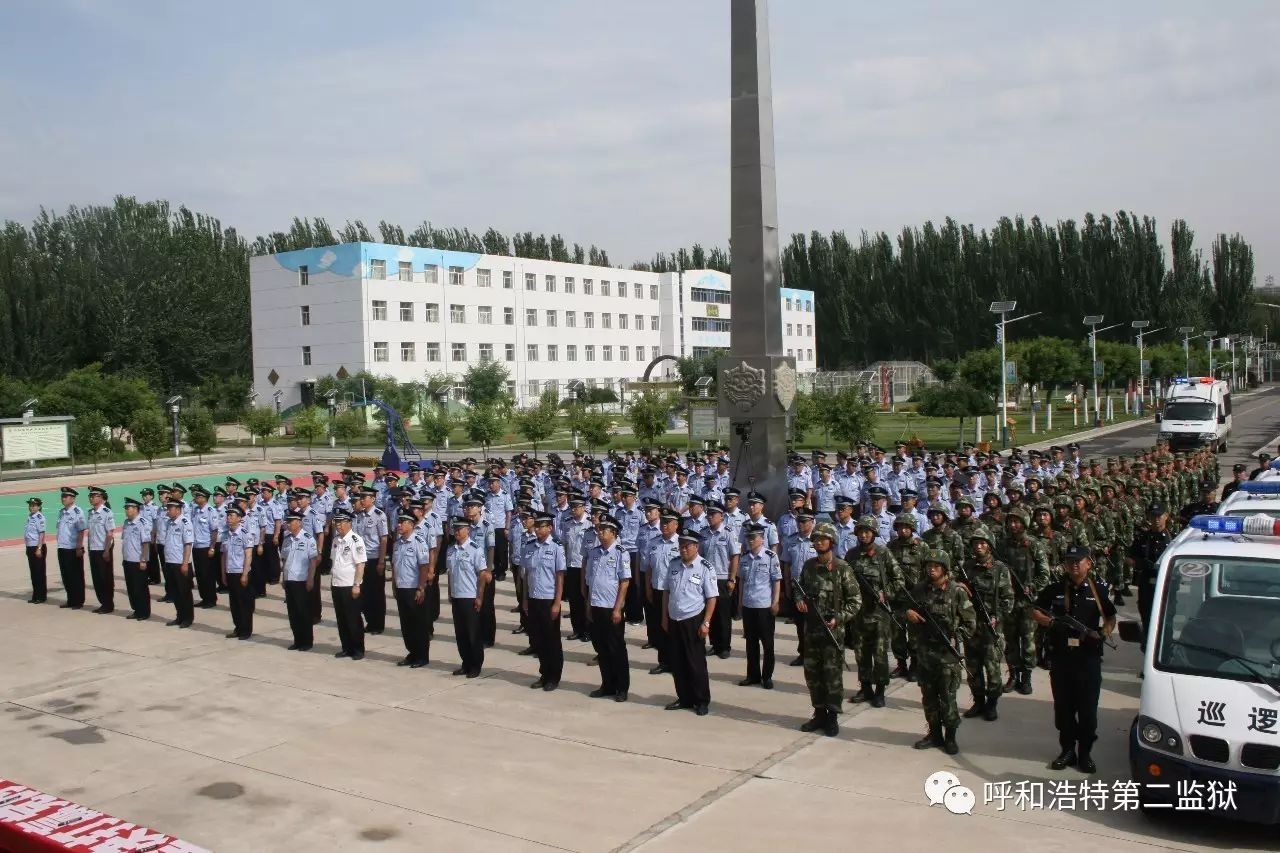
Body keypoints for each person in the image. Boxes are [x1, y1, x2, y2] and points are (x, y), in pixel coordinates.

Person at [1032, 544, 1117, 774]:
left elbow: (1110, 617)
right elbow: (1035, 610)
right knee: (1064, 710)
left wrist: (1104, 633)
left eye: (1078, 560)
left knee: (1088, 712)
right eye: (1070, 561)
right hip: (1062, 659)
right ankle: (1067, 751)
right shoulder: (1055, 589)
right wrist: (1052, 623)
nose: (1074, 564)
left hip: (1088, 660)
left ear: (1089, 563)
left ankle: (1085, 753)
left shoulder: (1098, 590)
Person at [903, 550, 976, 754]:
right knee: (929, 698)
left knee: (948, 699)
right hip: (925, 654)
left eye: (936, 566)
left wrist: (955, 636)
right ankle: (934, 734)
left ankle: (950, 737)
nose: (932, 569)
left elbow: (970, 623)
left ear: (944, 568)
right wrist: (909, 613)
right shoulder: (919, 590)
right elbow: (906, 608)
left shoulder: (957, 592)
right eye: (929, 566)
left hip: (947, 657)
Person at [794, 522, 860, 736]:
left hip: (832, 633)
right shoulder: (809, 566)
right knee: (813, 675)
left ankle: (832, 717)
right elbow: (799, 588)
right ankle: (819, 713)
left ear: (832, 542)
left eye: (823, 539)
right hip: (812, 632)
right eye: (816, 539)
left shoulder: (842, 568)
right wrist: (799, 600)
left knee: (832, 677)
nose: (819, 542)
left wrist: (839, 618)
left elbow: (855, 601)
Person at [844, 515, 904, 707]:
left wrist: (886, 593)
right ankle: (865, 688)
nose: (863, 535)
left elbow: (899, 580)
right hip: (858, 613)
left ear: (874, 533)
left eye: (867, 532)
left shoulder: (883, 553)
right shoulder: (851, 555)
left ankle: (880, 691)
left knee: (879, 654)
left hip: (879, 614)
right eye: (861, 532)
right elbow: (844, 581)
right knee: (861, 653)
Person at [660, 527, 719, 716]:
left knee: (696, 663)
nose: (683, 549)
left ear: (696, 546)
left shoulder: (705, 567)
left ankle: (701, 700)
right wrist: (664, 617)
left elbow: (711, 598)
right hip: (674, 619)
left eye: (687, 546)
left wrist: (706, 623)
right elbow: (666, 591)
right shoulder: (674, 564)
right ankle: (684, 697)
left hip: (693, 620)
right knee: (677, 662)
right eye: (681, 546)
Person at [958, 530, 1013, 721]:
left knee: (992, 668)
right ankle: (978, 701)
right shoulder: (967, 567)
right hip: (972, 626)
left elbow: (1008, 598)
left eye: (982, 543)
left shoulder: (1000, 569)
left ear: (989, 545)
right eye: (975, 543)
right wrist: (960, 587)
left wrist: (997, 616)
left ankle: (992, 703)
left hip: (992, 626)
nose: (979, 546)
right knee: (973, 668)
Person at [584, 514, 631, 701]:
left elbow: (624, 582)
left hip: (612, 607)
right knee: (601, 648)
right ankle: (607, 684)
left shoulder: (621, 552)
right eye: (599, 529)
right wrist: (589, 605)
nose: (600, 532)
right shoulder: (594, 553)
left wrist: (618, 608)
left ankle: (622, 687)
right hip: (596, 605)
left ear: (614, 533)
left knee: (616, 648)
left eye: (604, 529)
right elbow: (591, 581)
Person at [523, 512, 567, 690]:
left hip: (549, 599)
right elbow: (526, 575)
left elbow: (560, 577)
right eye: (536, 526)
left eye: (541, 526)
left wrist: (557, 602)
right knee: (538, 639)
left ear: (549, 528)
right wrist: (525, 599)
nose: (537, 529)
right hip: (533, 598)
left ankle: (553, 676)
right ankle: (544, 674)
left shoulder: (556, 547)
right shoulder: (530, 546)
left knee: (551, 640)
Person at [738, 522, 782, 689]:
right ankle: (753, 675)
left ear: (762, 539)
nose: (750, 541)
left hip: (764, 606)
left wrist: (775, 602)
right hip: (749, 605)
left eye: (753, 538)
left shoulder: (770, 556)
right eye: (748, 538)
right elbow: (741, 581)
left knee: (767, 644)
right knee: (751, 643)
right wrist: (740, 602)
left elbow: (776, 581)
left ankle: (767, 676)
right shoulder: (744, 557)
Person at [447, 516, 490, 678]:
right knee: (461, 634)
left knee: (473, 634)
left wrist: (480, 597)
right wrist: (450, 592)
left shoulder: (475, 550)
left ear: (468, 530)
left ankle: (476, 665)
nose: (457, 532)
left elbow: (482, 575)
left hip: (470, 596)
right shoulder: (451, 550)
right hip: (456, 596)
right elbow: (450, 573)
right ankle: (466, 663)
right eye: (455, 529)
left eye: (460, 529)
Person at [1128, 503, 1173, 648]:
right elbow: (1129, 558)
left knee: (1166, 617)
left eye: (1159, 516)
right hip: (1147, 583)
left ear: (1166, 516)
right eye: (1153, 516)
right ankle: (1148, 645)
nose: (1156, 519)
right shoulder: (1142, 537)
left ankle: (1166, 647)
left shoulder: (1173, 538)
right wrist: (1140, 563)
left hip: (1167, 583)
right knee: (1147, 615)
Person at [391, 513, 433, 668]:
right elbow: (395, 566)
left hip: (413, 588)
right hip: (401, 588)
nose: (399, 525)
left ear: (411, 524)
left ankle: (422, 656)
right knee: (406, 624)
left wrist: (421, 588)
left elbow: (424, 567)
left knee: (418, 624)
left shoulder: (418, 542)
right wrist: (394, 585)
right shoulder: (397, 543)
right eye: (398, 522)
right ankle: (412, 653)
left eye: (402, 522)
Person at [329, 509, 367, 660]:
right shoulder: (336, 540)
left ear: (348, 523)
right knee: (342, 619)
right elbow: (334, 561)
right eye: (336, 522)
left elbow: (360, 564)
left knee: (353, 619)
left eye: (340, 522)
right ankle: (346, 647)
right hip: (336, 584)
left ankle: (358, 649)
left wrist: (357, 585)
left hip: (349, 585)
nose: (338, 525)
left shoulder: (355, 540)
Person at [280, 511, 318, 651]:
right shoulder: (287, 538)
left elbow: (313, 561)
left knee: (303, 612)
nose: (288, 524)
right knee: (293, 613)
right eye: (287, 522)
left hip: (301, 580)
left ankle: (306, 642)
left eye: (291, 522)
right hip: (289, 579)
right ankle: (297, 640)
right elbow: (284, 560)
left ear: (299, 523)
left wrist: (310, 579)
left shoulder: (308, 538)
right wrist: (283, 578)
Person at [221, 504, 256, 640]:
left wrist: (245, 574)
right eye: (228, 515)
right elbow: (223, 555)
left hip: (241, 572)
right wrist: (223, 573)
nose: (228, 518)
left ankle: (246, 630)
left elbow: (248, 555)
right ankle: (238, 627)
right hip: (230, 572)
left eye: (231, 515)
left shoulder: (245, 534)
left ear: (239, 518)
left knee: (244, 603)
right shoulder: (225, 535)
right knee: (234, 603)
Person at [159, 498, 195, 628]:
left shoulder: (185, 522)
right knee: (175, 592)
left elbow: (188, 544)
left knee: (184, 592)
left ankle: (187, 618)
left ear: (178, 509)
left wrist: (185, 563)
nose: (168, 511)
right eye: (167, 508)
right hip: (170, 562)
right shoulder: (169, 523)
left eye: (170, 508)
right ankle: (179, 616)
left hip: (180, 563)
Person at [119, 498, 151, 620]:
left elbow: (145, 543)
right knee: (131, 588)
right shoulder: (126, 522)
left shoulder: (142, 522)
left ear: (136, 509)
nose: (126, 511)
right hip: (128, 560)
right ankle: (137, 610)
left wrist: (143, 560)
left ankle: (144, 612)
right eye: (126, 508)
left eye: (129, 508)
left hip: (138, 561)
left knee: (140, 588)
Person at [24, 497, 47, 604]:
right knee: (33, 573)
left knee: (39, 572)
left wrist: (39, 548)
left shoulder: (39, 517)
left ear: (39, 506)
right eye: (30, 505)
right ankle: (35, 595)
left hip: (37, 547)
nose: (31, 507)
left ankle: (41, 596)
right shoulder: (30, 516)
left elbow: (41, 533)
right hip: (30, 547)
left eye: (34, 505)